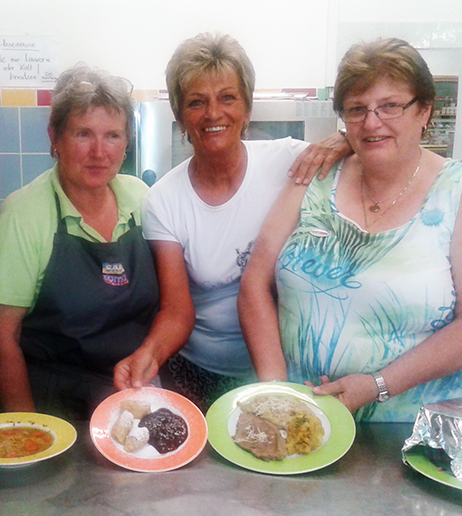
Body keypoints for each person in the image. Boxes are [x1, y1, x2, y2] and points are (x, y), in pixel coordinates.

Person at [239, 37, 462, 422]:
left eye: (390, 106)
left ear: (424, 111)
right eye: (356, 109)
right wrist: (279, 392)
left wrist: (378, 384)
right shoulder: (313, 177)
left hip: (416, 425)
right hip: (305, 416)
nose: (371, 122)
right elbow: (254, 282)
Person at [112, 33, 352, 412]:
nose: (213, 114)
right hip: (200, 372)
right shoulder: (164, 199)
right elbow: (177, 310)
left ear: (247, 107)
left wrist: (344, 140)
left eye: (227, 97)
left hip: (290, 365)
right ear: (179, 116)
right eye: (196, 102)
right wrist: (148, 353)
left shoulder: (290, 163)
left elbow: (368, 153)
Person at [0, 65, 160, 420]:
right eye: (82, 134)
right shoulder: (24, 217)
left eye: (112, 136)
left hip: (135, 395)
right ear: (55, 138)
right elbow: (0, 341)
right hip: (57, 405)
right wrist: (29, 428)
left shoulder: (141, 200)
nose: (99, 152)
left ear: (126, 144)